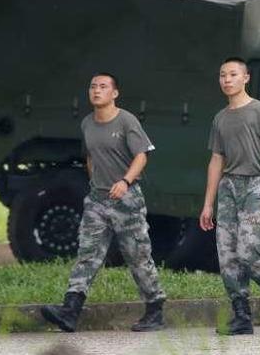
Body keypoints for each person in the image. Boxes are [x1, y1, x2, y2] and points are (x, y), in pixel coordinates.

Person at [41, 73, 166, 333]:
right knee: (87, 254)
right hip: (97, 199)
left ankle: (155, 308)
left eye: (103, 87)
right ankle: (70, 311)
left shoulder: (126, 120)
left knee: (137, 256)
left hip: (127, 200)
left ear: (115, 93)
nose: (97, 91)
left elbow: (142, 156)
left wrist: (125, 181)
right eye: (93, 87)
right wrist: (95, 183)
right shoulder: (87, 123)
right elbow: (90, 157)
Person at [199, 57, 260, 335]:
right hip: (229, 188)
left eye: (233, 74)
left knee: (248, 250)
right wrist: (208, 204)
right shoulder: (220, 118)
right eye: (222, 75)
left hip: (257, 186)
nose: (227, 79)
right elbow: (216, 160)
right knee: (227, 254)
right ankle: (241, 316)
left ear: (246, 78)